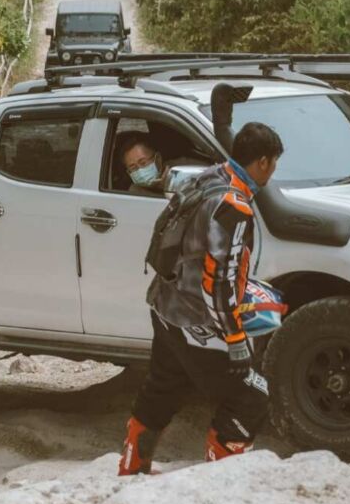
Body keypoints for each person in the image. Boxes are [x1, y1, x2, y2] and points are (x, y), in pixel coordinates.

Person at [119, 121, 285, 474]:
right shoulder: (234, 206)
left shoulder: (209, 175)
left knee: (163, 387)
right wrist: (235, 339)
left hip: (164, 304)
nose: (274, 171)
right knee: (251, 397)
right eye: (274, 163)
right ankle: (221, 480)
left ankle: (131, 469)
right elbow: (220, 281)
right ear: (263, 162)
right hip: (194, 318)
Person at [117, 132, 202, 197]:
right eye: (133, 167)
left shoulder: (183, 167)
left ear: (158, 159)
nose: (140, 170)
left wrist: (171, 185)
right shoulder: (134, 193)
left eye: (143, 163)